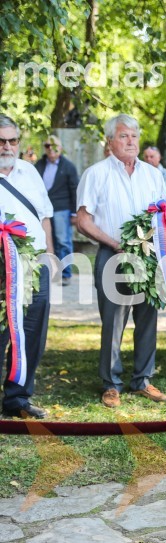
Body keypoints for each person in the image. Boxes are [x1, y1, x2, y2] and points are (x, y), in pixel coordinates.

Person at [76, 114, 166, 407]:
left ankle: (142, 380)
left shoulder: (153, 174)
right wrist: (115, 243)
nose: (130, 141)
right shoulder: (96, 173)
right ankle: (111, 383)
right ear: (110, 141)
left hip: (148, 256)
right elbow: (83, 221)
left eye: (134, 136)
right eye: (123, 136)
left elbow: (164, 215)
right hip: (112, 253)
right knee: (113, 321)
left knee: (147, 319)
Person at [0, 115, 53, 419]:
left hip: (35, 264)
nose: (7, 146)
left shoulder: (30, 171)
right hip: (1, 266)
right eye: (1, 141)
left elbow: (44, 215)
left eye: (12, 141)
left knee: (33, 330)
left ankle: (18, 398)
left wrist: (49, 255)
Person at [35, 134, 79, 286]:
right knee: (45, 241)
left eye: (54, 146)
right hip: (43, 209)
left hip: (61, 208)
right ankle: (49, 272)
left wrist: (74, 213)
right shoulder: (39, 165)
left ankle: (66, 274)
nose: (51, 149)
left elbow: (75, 190)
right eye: (47, 146)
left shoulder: (68, 166)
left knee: (63, 241)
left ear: (60, 148)